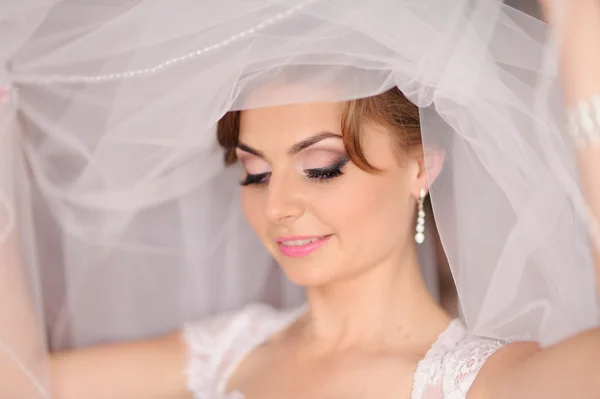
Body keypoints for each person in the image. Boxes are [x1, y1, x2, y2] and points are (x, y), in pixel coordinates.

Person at [1, 0, 600, 398]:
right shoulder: (226, 353)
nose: (278, 205)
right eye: (256, 173)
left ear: (420, 168)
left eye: (320, 168)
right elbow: (19, 381)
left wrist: (581, 46)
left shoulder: (479, 383)